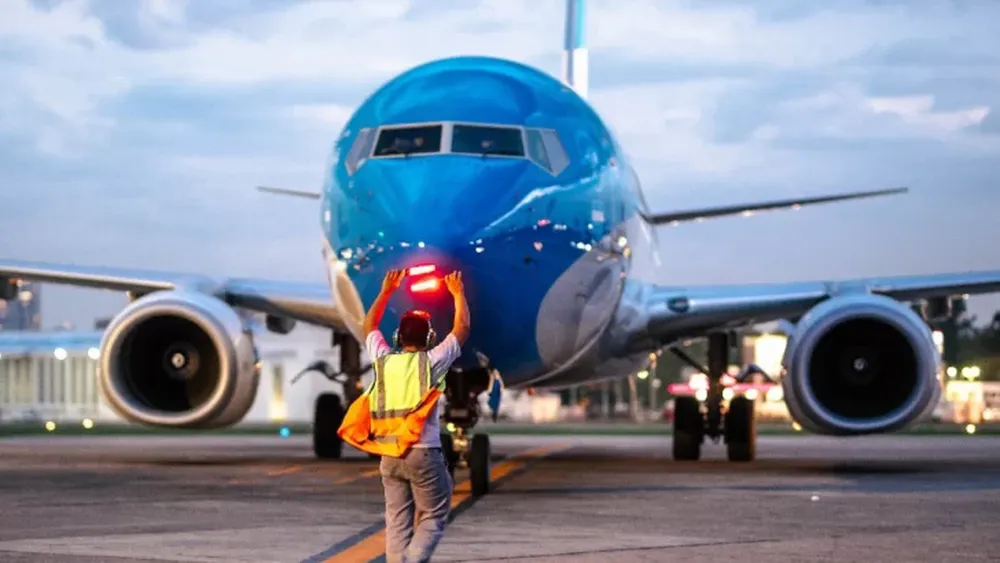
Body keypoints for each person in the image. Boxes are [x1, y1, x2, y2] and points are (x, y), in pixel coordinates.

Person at [347, 268, 470, 563]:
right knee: (434, 514)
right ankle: (413, 560)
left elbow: (368, 325)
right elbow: (462, 328)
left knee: (397, 520)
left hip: (389, 454)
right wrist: (457, 293)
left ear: (398, 337)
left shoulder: (382, 359)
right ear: (429, 337)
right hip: (423, 452)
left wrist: (386, 290)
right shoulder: (431, 362)